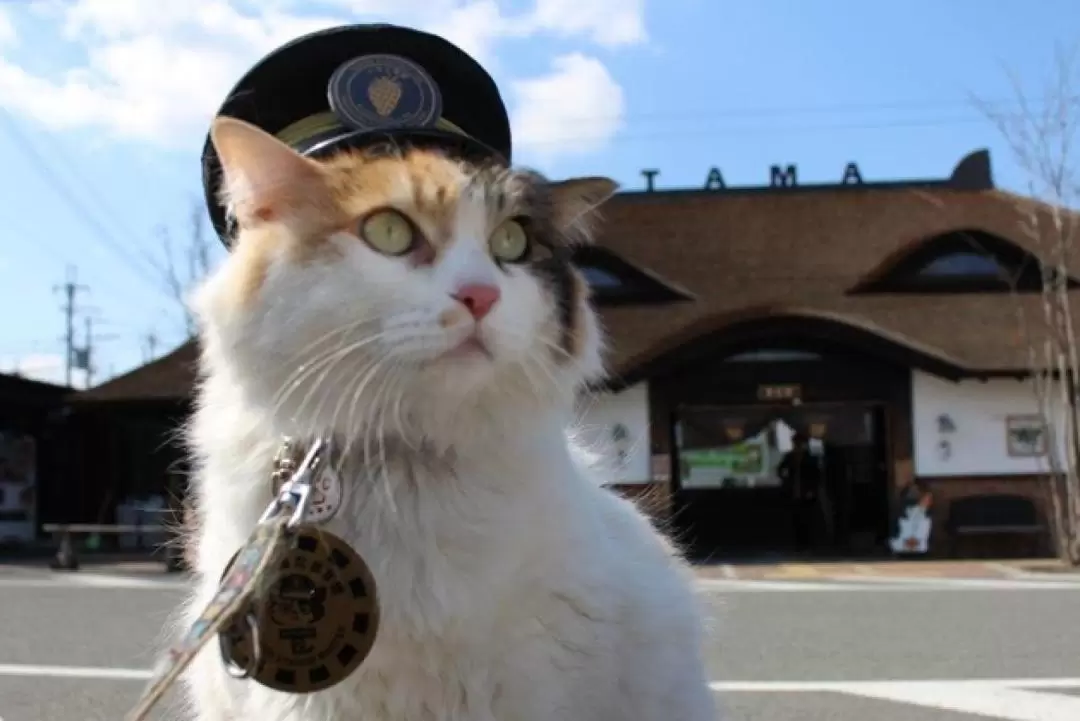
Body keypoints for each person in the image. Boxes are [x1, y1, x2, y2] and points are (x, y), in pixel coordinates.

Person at [777, 432, 825, 551]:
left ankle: (807, 542)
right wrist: (785, 480)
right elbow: (780, 469)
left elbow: (816, 475)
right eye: (795, 443)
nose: (797, 446)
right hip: (793, 491)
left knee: (807, 518)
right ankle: (797, 542)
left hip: (806, 493)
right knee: (795, 519)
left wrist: (812, 490)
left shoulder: (810, 458)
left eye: (800, 443)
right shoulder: (789, 457)